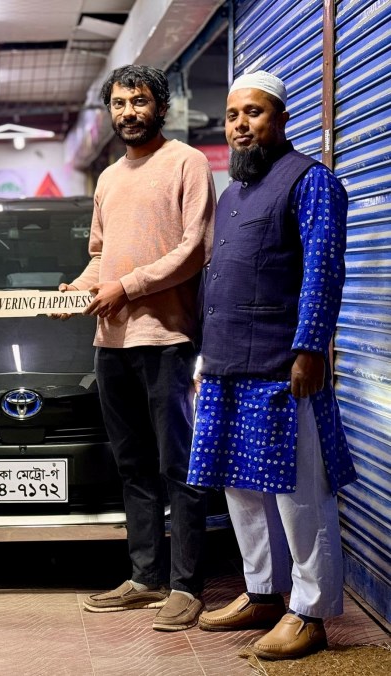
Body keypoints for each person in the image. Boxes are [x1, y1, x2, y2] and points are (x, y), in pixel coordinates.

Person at [189, 71, 357, 660]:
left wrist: (311, 348)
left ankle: (309, 612)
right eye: (233, 115)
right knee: (240, 487)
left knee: (299, 494)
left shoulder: (311, 181)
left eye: (254, 113)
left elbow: (323, 269)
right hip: (227, 365)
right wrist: (205, 357)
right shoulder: (232, 193)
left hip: (283, 366)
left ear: (281, 119)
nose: (241, 125)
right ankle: (262, 591)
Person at [59, 64, 216, 631]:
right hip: (112, 342)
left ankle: (187, 585)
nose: (129, 112)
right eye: (120, 103)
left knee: (179, 464)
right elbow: (100, 255)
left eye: (139, 101)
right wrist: (77, 290)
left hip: (167, 341)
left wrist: (126, 287)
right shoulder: (107, 178)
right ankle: (146, 578)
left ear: (161, 107)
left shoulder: (187, 163)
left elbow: (195, 248)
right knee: (132, 466)